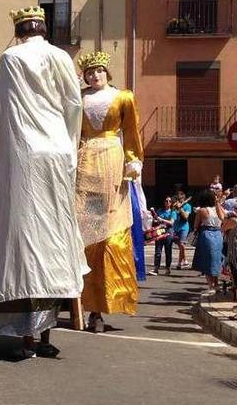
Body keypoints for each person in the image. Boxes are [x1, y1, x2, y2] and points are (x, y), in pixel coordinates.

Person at [0, 5, 85, 357]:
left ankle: (26, 337)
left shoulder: (11, 58)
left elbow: (3, 112)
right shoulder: (63, 58)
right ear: (44, 29)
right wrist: (68, 149)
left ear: (20, 30)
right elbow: (74, 105)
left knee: (20, 242)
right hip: (55, 153)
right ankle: (48, 335)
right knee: (53, 240)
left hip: (21, 155)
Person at [74, 50, 145, 332]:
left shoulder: (123, 96)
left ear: (107, 72)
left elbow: (132, 132)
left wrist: (134, 160)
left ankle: (103, 305)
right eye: (90, 72)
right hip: (83, 161)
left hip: (113, 162)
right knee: (84, 237)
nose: (95, 75)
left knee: (111, 238)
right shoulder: (77, 97)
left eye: (99, 70)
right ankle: (79, 304)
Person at [191, 189, 226, 293]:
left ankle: (211, 286)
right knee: (216, 259)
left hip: (207, 234)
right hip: (218, 234)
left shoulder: (202, 210)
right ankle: (217, 284)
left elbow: (196, 226)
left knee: (206, 260)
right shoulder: (219, 209)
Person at [151, 197, 176, 276]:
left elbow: (171, 222)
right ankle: (156, 268)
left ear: (171, 203)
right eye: (166, 201)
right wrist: (156, 220)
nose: (167, 202)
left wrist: (161, 219)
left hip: (169, 232)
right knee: (158, 251)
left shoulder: (173, 212)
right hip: (159, 232)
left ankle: (168, 268)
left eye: (169, 201)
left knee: (168, 251)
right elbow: (155, 220)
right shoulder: (160, 211)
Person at [172, 191, 192, 269]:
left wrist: (180, 208)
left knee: (182, 244)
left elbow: (186, 217)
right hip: (176, 227)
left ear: (184, 198)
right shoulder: (174, 206)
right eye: (178, 198)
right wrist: (175, 207)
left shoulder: (187, 206)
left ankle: (185, 260)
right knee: (180, 246)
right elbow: (173, 215)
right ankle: (179, 263)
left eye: (181, 198)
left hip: (184, 227)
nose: (180, 200)